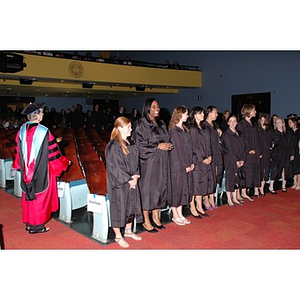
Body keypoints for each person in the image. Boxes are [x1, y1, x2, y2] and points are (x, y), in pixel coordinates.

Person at [12, 102, 71, 234]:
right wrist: (65, 162)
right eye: (42, 112)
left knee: (29, 196)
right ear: (37, 116)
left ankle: (29, 223)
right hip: (42, 170)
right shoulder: (44, 131)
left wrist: (20, 167)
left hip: (26, 171)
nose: (43, 114)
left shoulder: (21, 130)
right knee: (39, 197)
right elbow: (53, 155)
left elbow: (17, 152)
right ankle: (37, 226)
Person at [132, 98, 172, 233]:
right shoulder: (140, 124)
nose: (157, 108)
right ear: (147, 108)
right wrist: (158, 146)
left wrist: (167, 145)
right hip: (148, 163)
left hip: (161, 161)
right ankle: (145, 220)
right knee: (148, 191)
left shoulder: (161, 123)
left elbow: (165, 139)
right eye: (154, 106)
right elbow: (139, 145)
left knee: (159, 189)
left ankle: (156, 217)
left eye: (158, 106)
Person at [105, 117, 143, 248]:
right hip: (120, 184)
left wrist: (136, 175)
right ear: (120, 128)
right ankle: (118, 236)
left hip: (131, 180)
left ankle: (128, 231)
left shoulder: (130, 142)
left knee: (131, 206)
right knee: (119, 208)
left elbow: (136, 162)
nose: (131, 130)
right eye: (128, 127)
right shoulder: (113, 145)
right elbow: (115, 167)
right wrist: (128, 179)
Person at [168, 106, 194, 225]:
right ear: (180, 115)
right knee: (177, 189)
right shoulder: (173, 131)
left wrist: (191, 162)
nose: (187, 116)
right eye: (186, 114)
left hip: (186, 164)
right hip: (177, 165)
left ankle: (180, 213)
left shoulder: (184, 129)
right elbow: (177, 150)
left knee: (184, 189)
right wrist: (185, 164)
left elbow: (189, 148)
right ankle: (175, 214)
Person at [187, 107, 213, 217]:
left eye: (202, 113)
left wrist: (210, 155)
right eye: (200, 113)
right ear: (194, 115)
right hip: (197, 161)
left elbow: (208, 144)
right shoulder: (192, 129)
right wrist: (203, 158)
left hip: (206, 159)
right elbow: (194, 146)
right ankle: (192, 206)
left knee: (203, 184)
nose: (203, 114)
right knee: (195, 185)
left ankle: (199, 206)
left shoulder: (205, 128)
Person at [236, 104, 261, 200]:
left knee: (252, 172)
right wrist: (248, 149)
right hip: (247, 154)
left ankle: (246, 191)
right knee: (247, 172)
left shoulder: (252, 123)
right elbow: (242, 139)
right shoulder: (242, 124)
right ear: (249, 111)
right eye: (254, 110)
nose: (255, 111)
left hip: (254, 153)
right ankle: (243, 192)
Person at [222, 115, 246, 206]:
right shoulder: (226, 134)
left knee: (237, 179)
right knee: (230, 179)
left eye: (234, 121)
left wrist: (242, 159)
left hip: (239, 160)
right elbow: (229, 149)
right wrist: (236, 160)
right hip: (230, 160)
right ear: (227, 123)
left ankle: (235, 197)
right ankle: (229, 199)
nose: (232, 123)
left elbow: (243, 147)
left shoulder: (239, 134)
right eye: (230, 121)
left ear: (237, 122)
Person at [203, 106, 223, 209]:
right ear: (209, 113)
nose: (217, 114)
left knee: (215, 177)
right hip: (208, 154)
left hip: (217, 153)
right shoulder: (203, 125)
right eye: (215, 112)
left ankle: (212, 197)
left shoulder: (215, 125)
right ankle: (206, 199)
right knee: (208, 177)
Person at [268, 117, 294, 193]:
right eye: (277, 123)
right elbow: (273, 143)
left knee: (285, 170)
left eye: (280, 122)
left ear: (283, 123)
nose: (278, 124)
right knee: (275, 170)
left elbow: (290, 144)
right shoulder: (274, 133)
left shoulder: (287, 133)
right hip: (277, 154)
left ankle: (283, 186)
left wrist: (292, 154)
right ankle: (271, 186)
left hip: (286, 154)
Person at [257, 113, 272, 196]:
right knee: (260, 171)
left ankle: (262, 188)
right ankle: (257, 188)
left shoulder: (269, 131)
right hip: (260, 153)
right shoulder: (257, 130)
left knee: (266, 171)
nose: (263, 122)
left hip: (267, 153)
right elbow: (256, 143)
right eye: (261, 120)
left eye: (264, 120)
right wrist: (259, 153)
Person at [288, 117, 300, 190]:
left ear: (295, 123)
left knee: (298, 167)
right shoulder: (289, 132)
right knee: (293, 167)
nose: (289, 124)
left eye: (290, 122)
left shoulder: (299, 131)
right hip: (292, 151)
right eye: (288, 122)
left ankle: (299, 183)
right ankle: (295, 182)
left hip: (298, 151)